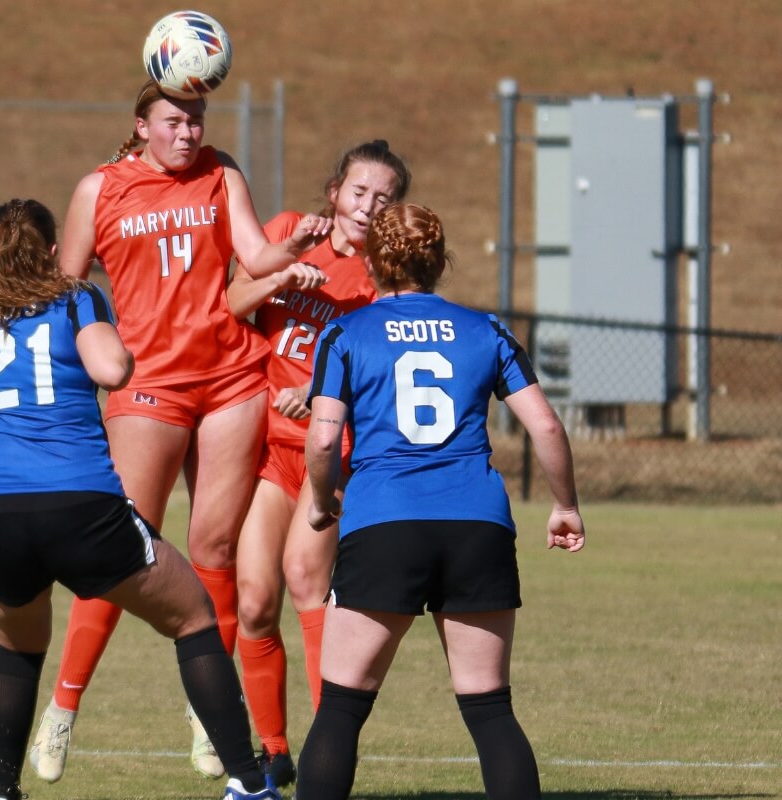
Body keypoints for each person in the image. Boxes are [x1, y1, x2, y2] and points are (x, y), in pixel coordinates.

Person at [29, 79, 333, 784]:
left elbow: (255, 261)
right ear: (141, 125)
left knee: (213, 549)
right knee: (124, 548)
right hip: (146, 385)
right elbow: (68, 288)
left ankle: (208, 713)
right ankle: (63, 707)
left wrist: (295, 243)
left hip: (230, 377)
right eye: (173, 120)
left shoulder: (223, 172)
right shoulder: (99, 189)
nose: (188, 132)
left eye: (195, 119)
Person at [0, 198, 283, 800]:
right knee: (194, 617)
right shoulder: (76, 297)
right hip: (78, 503)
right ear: (53, 252)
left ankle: (1, 792)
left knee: (17, 649)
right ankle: (249, 784)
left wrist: (7, 403)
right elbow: (112, 368)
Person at [297, 202, 586, 800]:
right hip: (475, 523)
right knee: (489, 708)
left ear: (374, 264)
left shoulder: (346, 332)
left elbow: (323, 436)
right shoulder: (486, 329)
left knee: (343, 706)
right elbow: (548, 428)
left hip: (384, 520)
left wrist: (321, 501)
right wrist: (566, 505)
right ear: (439, 261)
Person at [225, 139, 411, 787]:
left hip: (331, 452)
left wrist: (329, 393)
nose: (368, 206)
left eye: (384, 198)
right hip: (270, 445)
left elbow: (389, 375)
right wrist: (284, 271)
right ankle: (272, 753)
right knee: (253, 601)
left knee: (306, 579)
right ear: (335, 192)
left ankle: (327, 751)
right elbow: (232, 303)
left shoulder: (387, 277)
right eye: (359, 192)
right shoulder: (286, 233)